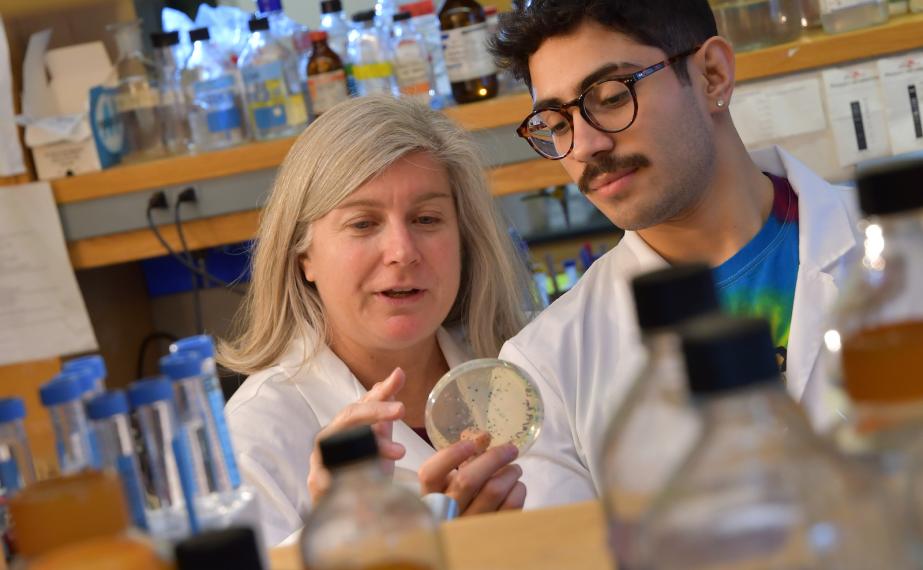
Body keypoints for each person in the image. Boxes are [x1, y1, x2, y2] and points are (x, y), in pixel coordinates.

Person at [490, 0, 863, 508]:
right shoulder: (546, 367)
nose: (584, 146)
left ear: (712, 75)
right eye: (556, 124)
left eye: (611, 96)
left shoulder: (897, 244)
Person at [219, 95, 532, 545]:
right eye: (363, 224)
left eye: (426, 218)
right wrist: (342, 538)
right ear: (304, 255)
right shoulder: (256, 432)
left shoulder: (527, 363)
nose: (402, 251)